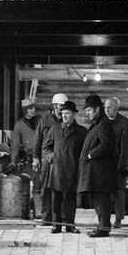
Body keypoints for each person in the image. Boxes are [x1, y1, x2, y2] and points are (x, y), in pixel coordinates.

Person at [43, 99, 86, 234]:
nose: (64, 116)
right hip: (57, 170)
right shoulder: (55, 129)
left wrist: (80, 164)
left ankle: (70, 225)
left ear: (74, 114)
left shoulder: (81, 131)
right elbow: (46, 148)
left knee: (71, 200)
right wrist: (53, 158)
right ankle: (56, 225)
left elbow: (84, 152)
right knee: (56, 199)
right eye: (62, 113)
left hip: (73, 170)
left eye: (67, 113)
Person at [78, 95, 118, 237]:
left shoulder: (104, 124)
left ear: (96, 109)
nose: (87, 113)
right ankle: (102, 226)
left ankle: (104, 228)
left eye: (89, 110)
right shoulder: (97, 124)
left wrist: (90, 155)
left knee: (101, 201)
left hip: (100, 171)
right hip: (96, 171)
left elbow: (106, 145)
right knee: (98, 200)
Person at [35, 93, 68, 226]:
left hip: (61, 160)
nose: (62, 109)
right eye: (61, 105)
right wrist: (35, 158)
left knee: (62, 188)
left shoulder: (66, 120)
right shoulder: (45, 121)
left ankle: (62, 218)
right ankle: (46, 218)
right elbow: (37, 140)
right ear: (54, 105)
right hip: (46, 160)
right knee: (45, 189)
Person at [104, 97, 128, 227]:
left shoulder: (124, 122)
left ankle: (119, 218)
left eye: (109, 107)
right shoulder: (103, 121)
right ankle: (105, 218)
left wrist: (122, 165)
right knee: (104, 192)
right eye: (105, 107)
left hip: (118, 161)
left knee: (119, 191)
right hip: (104, 162)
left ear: (116, 108)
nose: (107, 110)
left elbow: (125, 147)